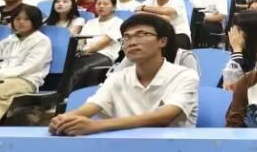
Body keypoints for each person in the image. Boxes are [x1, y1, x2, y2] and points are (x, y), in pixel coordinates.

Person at [50, 13, 197, 134]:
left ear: (162, 41)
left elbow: (164, 117)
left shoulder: (185, 76)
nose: (131, 42)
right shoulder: (117, 77)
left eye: (141, 34)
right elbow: (93, 105)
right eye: (126, 37)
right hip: (122, 148)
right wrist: (64, 119)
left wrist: (96, 126)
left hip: (172, 150)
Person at [0, 5, 52, 127]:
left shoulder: (42, 41)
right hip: (1, 77)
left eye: (26, 19)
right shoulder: (10, 39)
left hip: (25, 80)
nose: (21, 22)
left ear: (35, 21)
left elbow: (27, 68)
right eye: (17, 19)